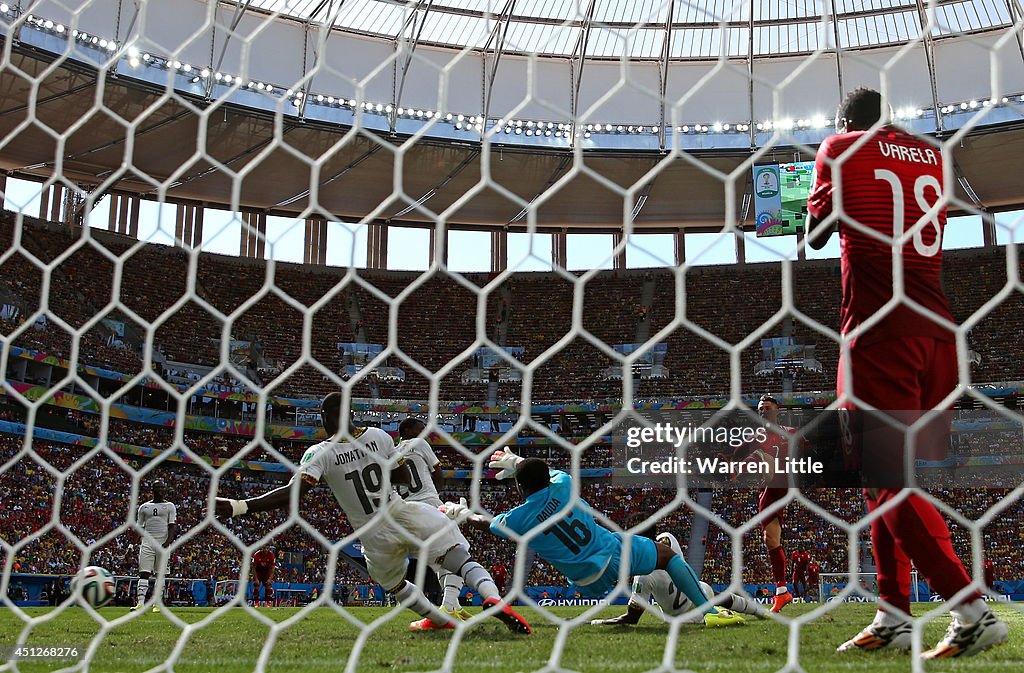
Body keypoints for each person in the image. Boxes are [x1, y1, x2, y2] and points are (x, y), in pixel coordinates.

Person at [806, 87, 1008, 658]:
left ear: (844, 119)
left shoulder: (839, 147)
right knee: (880, 478)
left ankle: (971, 610)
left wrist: (814, 211)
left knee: (888, 480)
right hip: (937, 333)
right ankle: (894, 613)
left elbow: (816, 236)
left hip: (877, 331)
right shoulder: (931, 155)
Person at [214, 393, 529, 634]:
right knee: (456, 557)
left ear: (324, 418)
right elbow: (403, 477)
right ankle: (491, 596)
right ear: (351, 413)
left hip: (371, 533)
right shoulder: (379, 436)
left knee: (393, 584)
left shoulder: (320, 453)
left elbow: (290, 495)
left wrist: (239, 506)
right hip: (402, 511)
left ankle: (438, 619)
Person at [441, 450, 743, 627]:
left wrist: (461, 513)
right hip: (611, 554)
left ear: (520, 488)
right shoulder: (564, 485)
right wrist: (518, 461)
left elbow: (487, 523)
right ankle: (712, 612)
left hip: (583, 580)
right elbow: (552, 474)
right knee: (666, 555)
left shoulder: (519, 518)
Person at [590, 532, 766, 625]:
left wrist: (596, 621)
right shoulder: (668, 540)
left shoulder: (642, 575)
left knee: (711, 595)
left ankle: (728, 614)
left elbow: (632, 618)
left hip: (685, 618)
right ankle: (758, 611)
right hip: (701, 593)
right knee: (713, 592)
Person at [396, 417, 469, 620]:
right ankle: (448, 606)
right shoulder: (419, 443)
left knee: (440, 559)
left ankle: (454, 605)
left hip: (406, 511)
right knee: (459, 549)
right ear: (409, 430)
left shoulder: (391, 453)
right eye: (420, 429)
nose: (423, 433)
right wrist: (436, 496)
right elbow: (438, 472)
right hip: (428, 503)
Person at [736, 394, 804, 613]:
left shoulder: (791, 433)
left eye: (767, 407)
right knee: (771, 540)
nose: (763, 411)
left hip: (787, 482)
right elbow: (736, 456)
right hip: (773, 488)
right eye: (760, 408)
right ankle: (782, 592)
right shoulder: (754, 436)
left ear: (777, 411)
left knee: (759, 455)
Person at [131, 479, 177, 613]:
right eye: (157, 487)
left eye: (162, 487)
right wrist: (131, 545)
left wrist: (167, 543)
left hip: (162, 543)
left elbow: (172, 526)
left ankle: (157, 603)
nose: (160, 490)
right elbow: (138, 527)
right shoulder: (144, 507)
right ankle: (140, 603)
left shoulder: (170, 506)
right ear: (152, 489)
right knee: (144, 573)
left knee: (160, 574)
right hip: (147, 543)